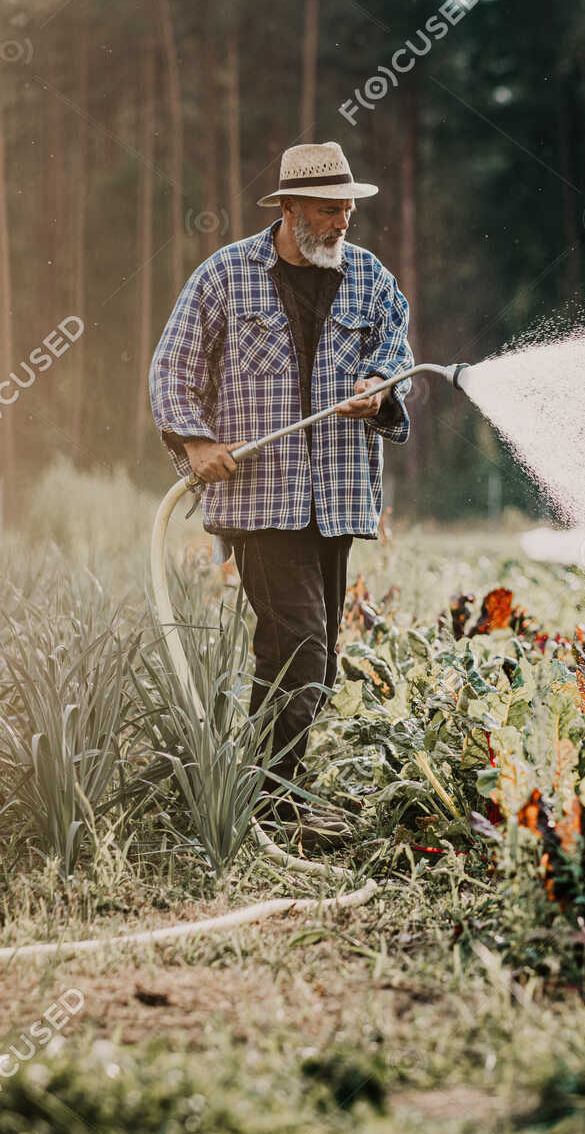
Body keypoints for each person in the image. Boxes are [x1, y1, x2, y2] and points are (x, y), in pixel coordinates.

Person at [148, 141, 415, 843]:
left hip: (338, 497)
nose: (341, 224)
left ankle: (274, 796)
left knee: (314, 659)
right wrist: (197, 441)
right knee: (299, 650)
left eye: (347, 212)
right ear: (290, 209)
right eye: (328, 211)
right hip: (262, 502)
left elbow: (397, 356)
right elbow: (173, 366)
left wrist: (377, 392)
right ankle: (270, 806)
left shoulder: (368, 277)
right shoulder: (226, 276)